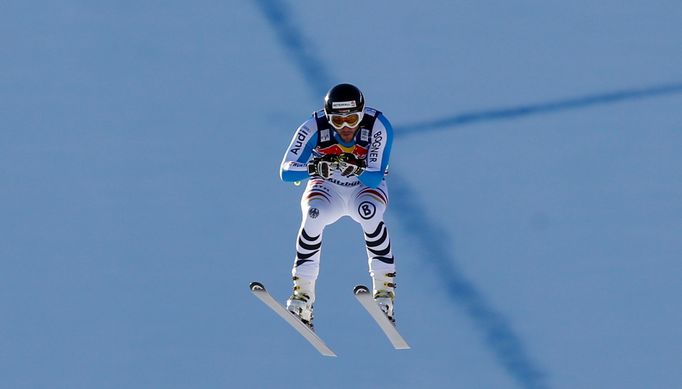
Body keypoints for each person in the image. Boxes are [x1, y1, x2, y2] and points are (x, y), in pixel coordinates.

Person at [279, 83, 396, 329]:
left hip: (362, 188)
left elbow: (374, 177)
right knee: (314, 215)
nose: (345, 127)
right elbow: (286, 171)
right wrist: (312, 167)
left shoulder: (378, 125)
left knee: (370, 212)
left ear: (362, 114)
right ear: (327, 116)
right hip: (328, 187)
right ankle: (304, 294)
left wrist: (357, 169)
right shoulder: (313, 127)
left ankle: (385, 291)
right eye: (337, 120)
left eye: (352, 119)